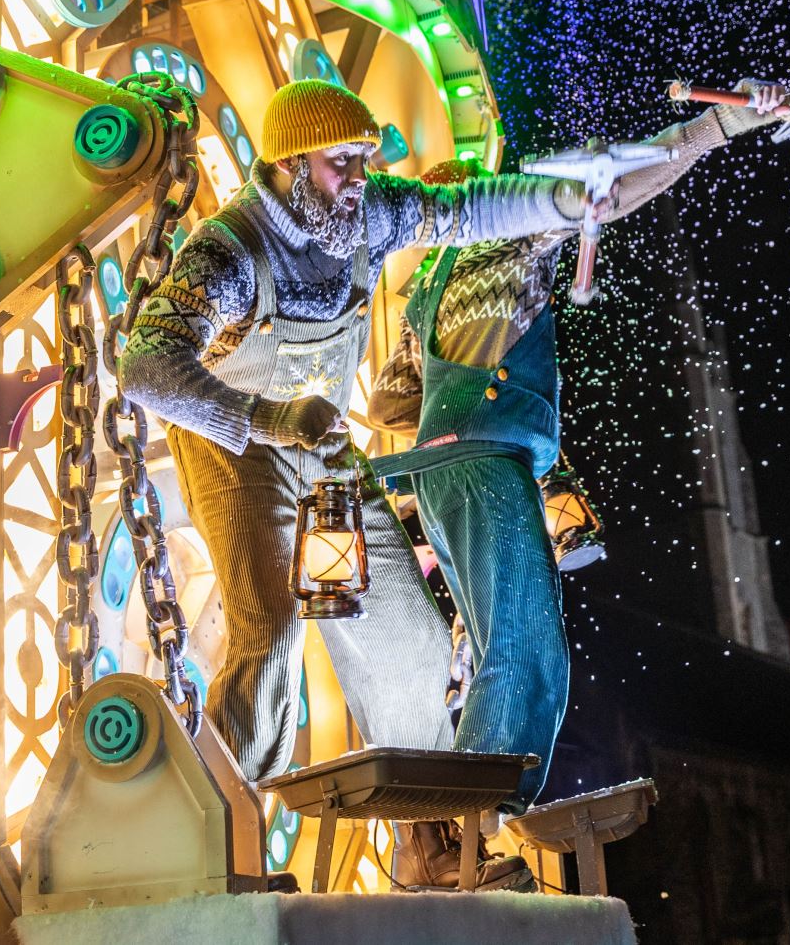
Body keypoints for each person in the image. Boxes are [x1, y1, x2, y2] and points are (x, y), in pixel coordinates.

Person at [119, 79, 606, 889]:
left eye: (364, 160)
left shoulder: (367, 214)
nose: (359, 176)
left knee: (409, 640)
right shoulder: (229, 251)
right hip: (237, 441)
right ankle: (208, 845)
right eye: (343, 162)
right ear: (291, 162)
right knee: (269, 628)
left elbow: (468, 211)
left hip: (322, 440)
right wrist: (266, 419)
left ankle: (430, 845)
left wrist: (563, 199)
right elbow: (143, 367)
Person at [365, 82, 790, 833]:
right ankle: (472, 824)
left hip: (435, 482)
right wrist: (717, 126)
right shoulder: (507, 238)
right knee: (526, 651)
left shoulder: (425, 288)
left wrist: (459, 389)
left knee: (480, 647)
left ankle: (452, 823)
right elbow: (618, 189)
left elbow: (388, 402)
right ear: (482, 198)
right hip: (491, 468)